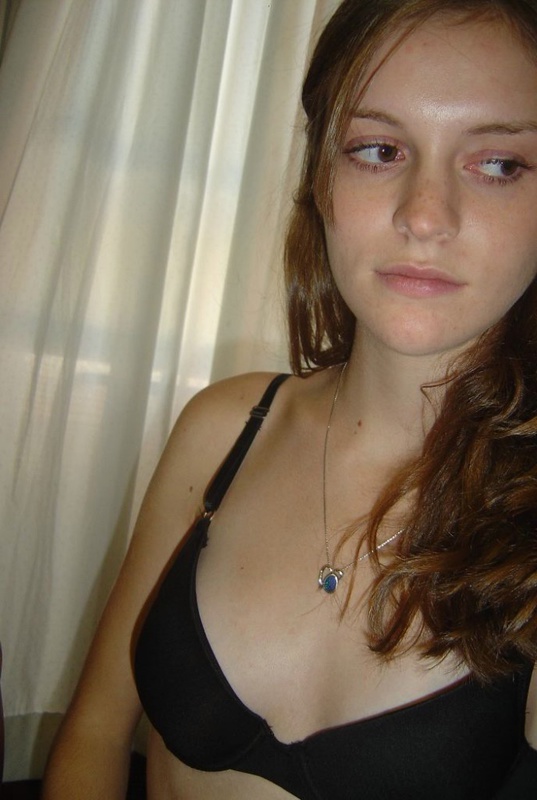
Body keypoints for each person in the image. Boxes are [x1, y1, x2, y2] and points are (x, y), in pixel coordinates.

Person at [42, 0, 537, 797]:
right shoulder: (223, 429)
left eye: (499, 165)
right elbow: (96, 733)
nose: (423, 216)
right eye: (378, 150)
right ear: (319, 176)